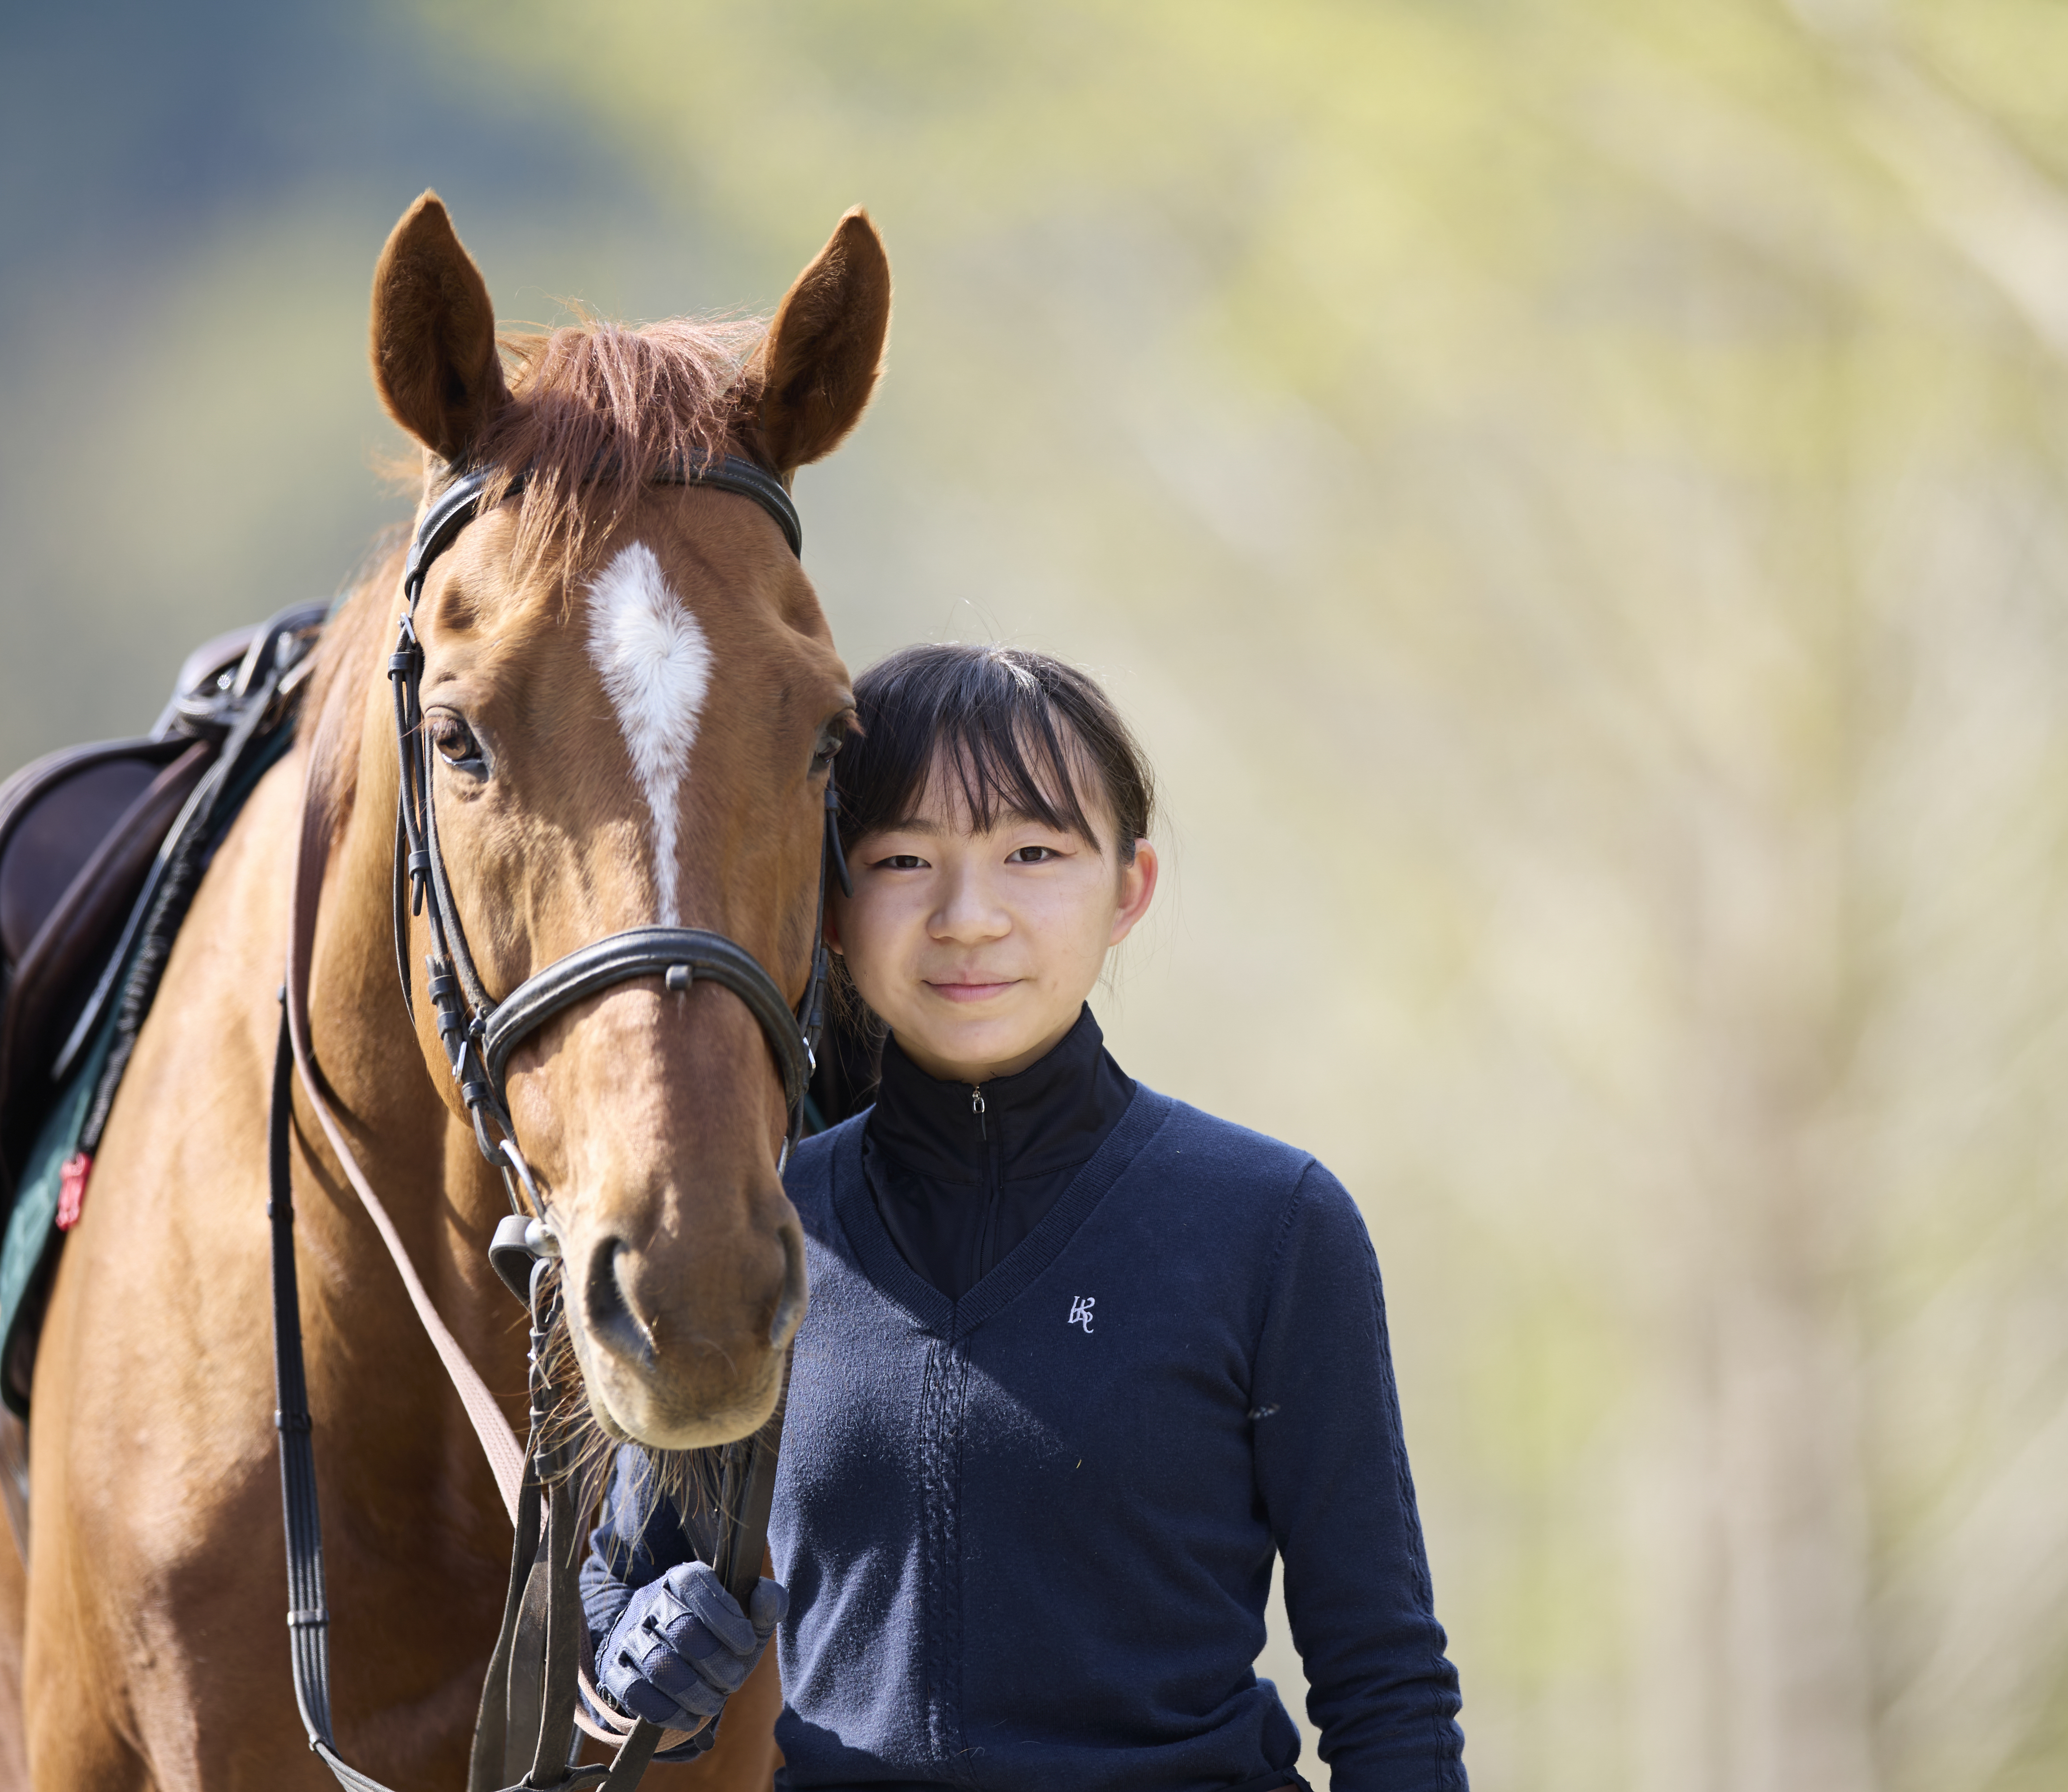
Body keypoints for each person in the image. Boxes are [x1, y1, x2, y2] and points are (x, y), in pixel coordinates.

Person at [581, 644, 1466, 1791]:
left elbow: (1385, 1679)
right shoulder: (766, 1234)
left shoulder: (1272, 1224)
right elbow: (615, 1593)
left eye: (1033, 853)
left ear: (1128, 890)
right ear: (833, 907)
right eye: (903, 858)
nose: (968, 916)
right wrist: (639, 1659)